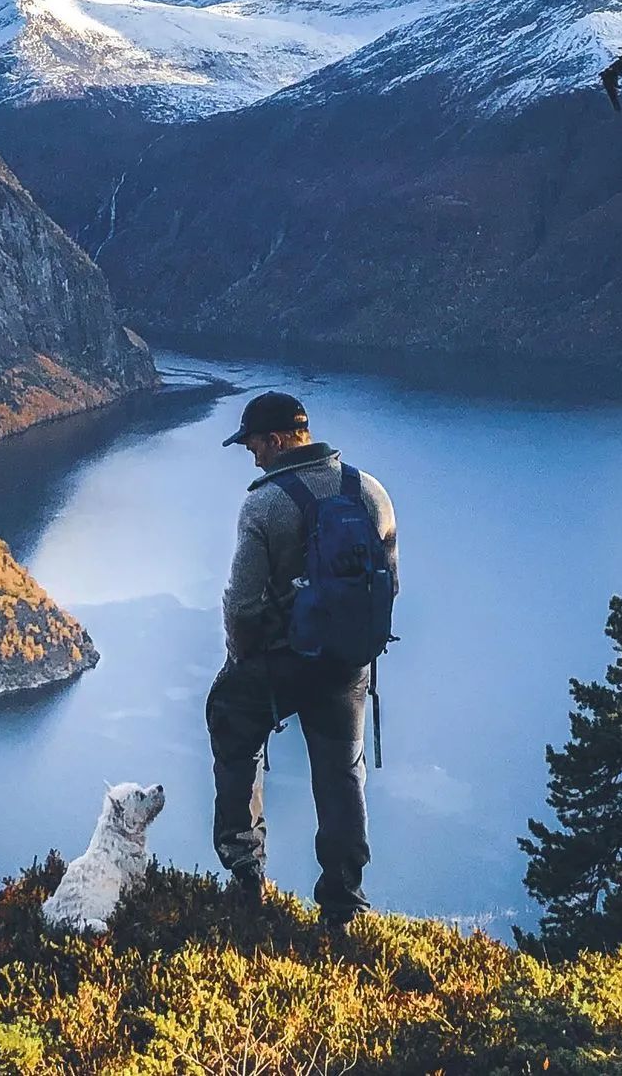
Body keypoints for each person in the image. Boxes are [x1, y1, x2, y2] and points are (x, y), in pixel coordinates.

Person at [206, 390, 398, 926]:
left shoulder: (265, 503)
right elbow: (389, 584)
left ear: (276, 440)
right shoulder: (369, 491)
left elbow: (242, 604)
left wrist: (238, 661)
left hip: (282, 663)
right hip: (347, 665)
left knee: (232, 725)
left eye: (253, 446)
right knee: (342, 774)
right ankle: (344, 904)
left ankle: (246, 875)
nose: (253, 458)